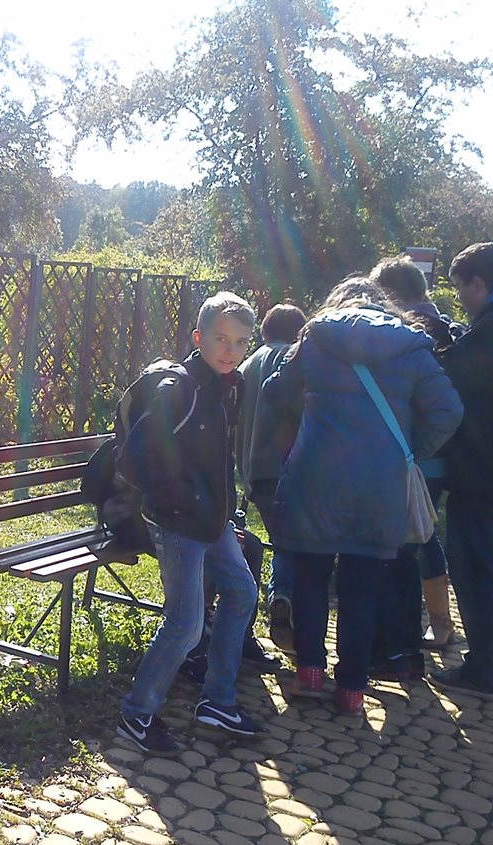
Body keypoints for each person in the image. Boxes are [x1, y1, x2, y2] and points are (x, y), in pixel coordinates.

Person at [261, 278, 462, 715]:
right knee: (362, 587)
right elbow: (449, 410)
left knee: (310, 577)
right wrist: (409, 451)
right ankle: (351, 689)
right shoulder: (412, 346)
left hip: (315, 478)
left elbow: (274, 391)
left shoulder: (316, 338)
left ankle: (309, 673)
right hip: (380, 485)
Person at [114, 292, 265, 758]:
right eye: (220, 339)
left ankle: (218, 701)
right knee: (185, 624)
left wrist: (225, 512)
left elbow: (218, 462)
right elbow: (132, 461)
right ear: (198, 338)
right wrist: (185, 500)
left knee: (241, 592)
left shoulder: (229, 387)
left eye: (240, 342)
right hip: (177, 523)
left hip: (212, 521)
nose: (230, 351)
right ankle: (137, 714)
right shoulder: (177, 390)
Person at [431, 242, 493, 697]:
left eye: (460, 288)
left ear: (479, 283)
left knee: (474, 567)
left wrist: (442, 343)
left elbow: (451, 375)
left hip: (487, 471)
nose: (460, 298)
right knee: (486, 559)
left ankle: (484, 670)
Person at [371, 255, 459, 651]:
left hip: (414, 455)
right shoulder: (448, 329)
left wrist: (412, 451)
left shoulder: (410, 331)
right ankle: (439, 622)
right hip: (441, 454)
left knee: (409, 542)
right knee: (424, 535)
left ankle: (405, 636)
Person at [237, 302, 307, 654]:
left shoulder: (247, 364)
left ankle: (281, 598)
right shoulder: (292, 361)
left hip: (252, 470)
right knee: (290, 543)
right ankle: (283, 596)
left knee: (280, 538)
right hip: (284, 466)